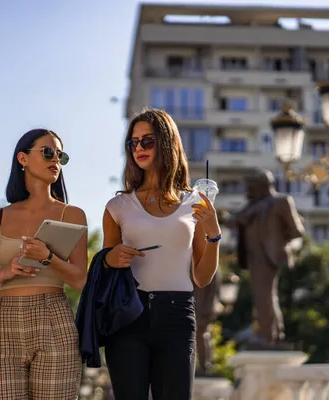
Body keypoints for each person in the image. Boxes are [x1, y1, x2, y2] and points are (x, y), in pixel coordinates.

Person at [101, 108, 221, 400]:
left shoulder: (194, 203)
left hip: (177, 314)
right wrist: (110, 258)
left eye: (147, 141)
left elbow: (202, 278)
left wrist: (214, 234)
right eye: (133, 142)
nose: (139, 148)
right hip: (129, 314)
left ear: (167, 143)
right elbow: (104, 268)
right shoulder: (117, 207)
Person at [0, 128, 88, 400]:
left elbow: (80, 280)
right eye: (47, 152)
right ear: (22, 158)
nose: (55, 159)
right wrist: (7, 271)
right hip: (4, 320)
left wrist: (47, 257)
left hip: (55, 317)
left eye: (60, 155)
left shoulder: (73, 214)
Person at [219, 168, 304, 347]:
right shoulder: (253, 205)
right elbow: (234, 221)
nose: (247, 191)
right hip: (254, 257)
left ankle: (269, 335)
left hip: (270, 256)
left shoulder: (281, 202)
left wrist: (280, 240)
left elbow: (297, 230)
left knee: (265, 296)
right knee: (262, 296)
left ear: (261, 186)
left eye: (250, 186)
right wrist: (216, 215)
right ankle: (270, 333)